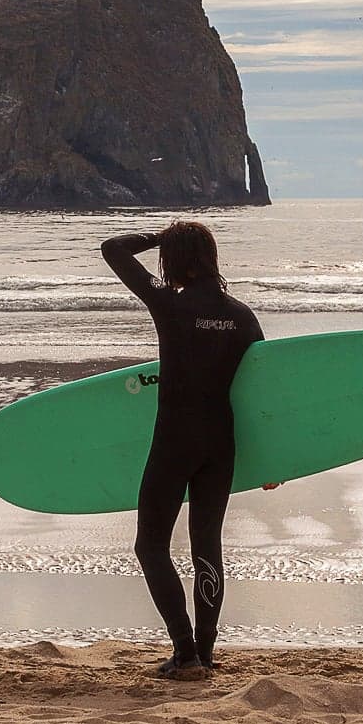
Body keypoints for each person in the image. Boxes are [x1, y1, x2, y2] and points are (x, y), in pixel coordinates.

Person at [101, 222, 263, 681]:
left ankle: (184, 652)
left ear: (177, 259)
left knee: (151, 546)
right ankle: (206, 655)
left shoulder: (169, 303)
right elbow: (263, 396)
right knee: (206, 546)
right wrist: (277, 462)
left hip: (174, 441)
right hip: (220, 444)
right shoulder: (241, 316)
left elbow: (113, 248)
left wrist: (159, 238)